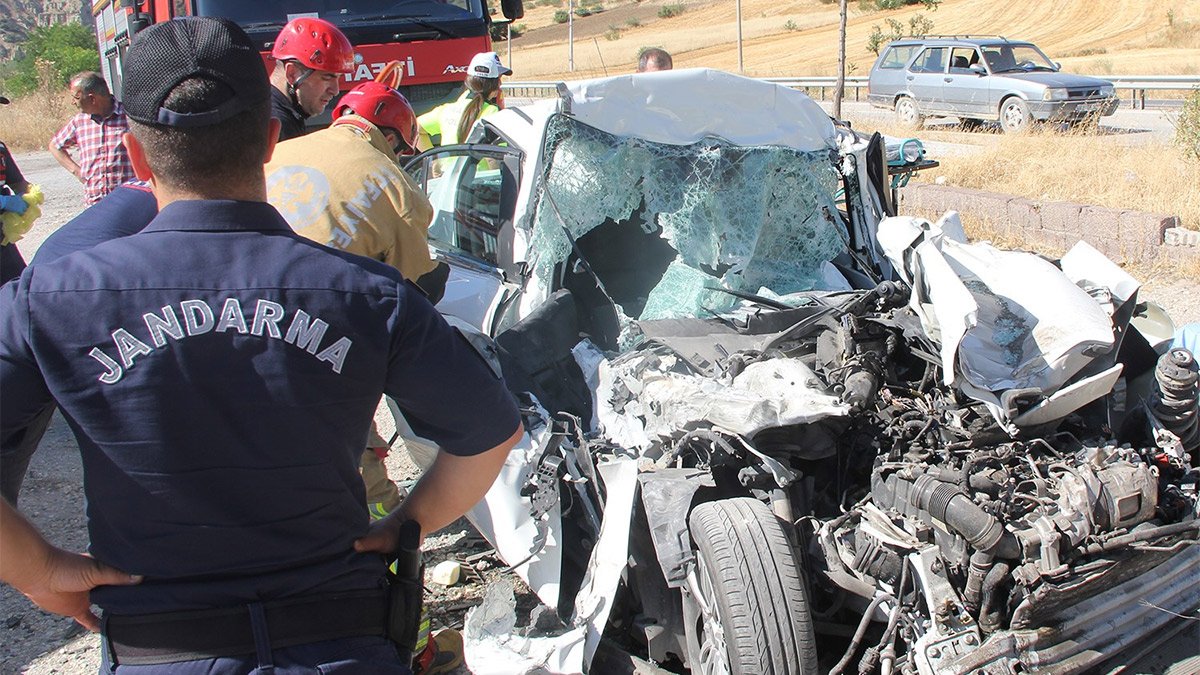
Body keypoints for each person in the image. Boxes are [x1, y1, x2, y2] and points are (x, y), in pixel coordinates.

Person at [0, 17, 522, 674]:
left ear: (137, 155)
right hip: (342, 645)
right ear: (272, 141)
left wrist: (39, 569)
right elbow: (490, 432)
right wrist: (403, 526)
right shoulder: (366, 293)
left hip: (161, 651)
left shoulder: (50, 297)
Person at [266, 78, 450, 519]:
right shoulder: (394, 184)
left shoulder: (281, 151)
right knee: (346, 424)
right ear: (390, 139)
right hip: (315, 329)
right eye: (400, 150)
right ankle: (380, 524)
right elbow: (410, 284)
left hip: (238, 312)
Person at [48, 72, 135, 205]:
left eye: (76, 97)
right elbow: (55, 146)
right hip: (95, 205)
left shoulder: (130, 117)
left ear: (92, 99)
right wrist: (77, 171)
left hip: (128, 202)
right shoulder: (80, 121)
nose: (73, 102)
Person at [270, 16, 354, 142]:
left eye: (338, 78)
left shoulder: (272, 113)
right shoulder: (277, 127)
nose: (335, 91)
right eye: (327, 77)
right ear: (292, 74)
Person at [417, 51, 510, 150]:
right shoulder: (494, 114)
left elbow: (415, 129)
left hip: (447, 161)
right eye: (499, 79)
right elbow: (500, 154)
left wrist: (435, 158)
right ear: (492, 83)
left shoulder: (446, 110)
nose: (500, 84)